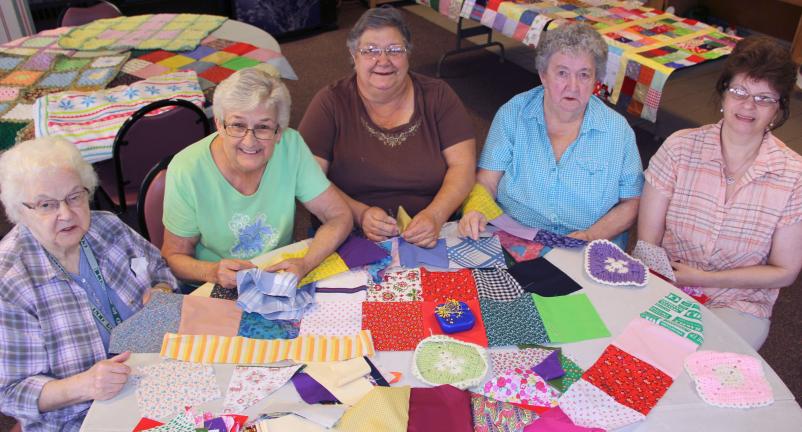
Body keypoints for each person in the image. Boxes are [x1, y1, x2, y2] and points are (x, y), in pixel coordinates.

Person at [0, 137, 178, 430]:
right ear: (20, 211)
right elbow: (11, 393)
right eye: (46, 205)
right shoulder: (10, 282)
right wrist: (85, 385)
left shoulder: (108, 227)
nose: (67, 214)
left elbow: (159, 269)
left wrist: (160, 292)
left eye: (75, 197)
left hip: (156, 376)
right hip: (79, 417)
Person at [638, 36, 802, 350]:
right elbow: (648, 244)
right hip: (667, 284)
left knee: (701, 368)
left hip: (738, 302)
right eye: (739, 91)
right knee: (639, 356)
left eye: (764, 98)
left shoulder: (794, 175)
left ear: (779, 109)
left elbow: (784, 271)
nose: (748, 105)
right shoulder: (679, 148)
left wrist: (703, 278)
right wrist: (666, 289)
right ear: (723, 92)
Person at [299, 6, 476, 247]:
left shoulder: (439, 97)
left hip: (432, 232)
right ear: (354, 55)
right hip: (348, 234)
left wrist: (435, 215)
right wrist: (358, 213)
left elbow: (463, 167)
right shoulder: (330, 103)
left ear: (408, 54)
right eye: (370, 50)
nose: (383, 60)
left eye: (394, 50)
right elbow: (308, 178)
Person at [161, 67, 352, 289]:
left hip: (280, 277)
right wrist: (213, 272)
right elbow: (173, 257)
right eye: (238, 125)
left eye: (263, 127)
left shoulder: (291, 145)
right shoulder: (187, 169)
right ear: (220, 126)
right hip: (216, 286)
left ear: (279, 131)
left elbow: (339, 215)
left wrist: (305, 263)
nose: (249, 141)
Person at [458, 23, 643, 248]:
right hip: (516, 235)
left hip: (587, 245)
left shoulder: (617, 131)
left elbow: (631, 202)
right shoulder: (513, 114)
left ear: (596, 79)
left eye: (584, 75)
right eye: (562, 73)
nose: (573, 86)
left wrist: (590, 235)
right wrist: (476, 209)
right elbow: (487, 181)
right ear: (543, 75)